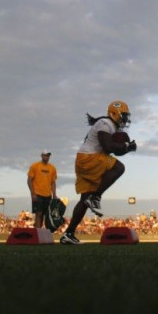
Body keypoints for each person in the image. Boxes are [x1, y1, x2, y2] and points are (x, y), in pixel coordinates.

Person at [60, 101, 136, 244]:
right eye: (124, 115)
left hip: (84, 160)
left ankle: (68, 234)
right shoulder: (105, 123)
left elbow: (113, 150)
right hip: (89, 159)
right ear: (115, 113)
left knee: (84, 200)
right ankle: (95, 197)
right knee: (119, 168)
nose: (125, 119)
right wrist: (125, 146)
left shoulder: (109, 126)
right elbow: (109, 147)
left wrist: (127, 148)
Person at [27, 150, 57, 228]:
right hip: (38, 194)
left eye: (48, 155)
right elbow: (29, 180)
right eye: (45, 155)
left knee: (46, 215)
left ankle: (43, 233)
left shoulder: (52, 168)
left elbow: (53, 182)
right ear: (42, 156)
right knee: (39, 214)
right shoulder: (35, 166)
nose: (47, 157)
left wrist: (54, 194)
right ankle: (37, 232)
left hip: (48, 195)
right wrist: (33, 194)